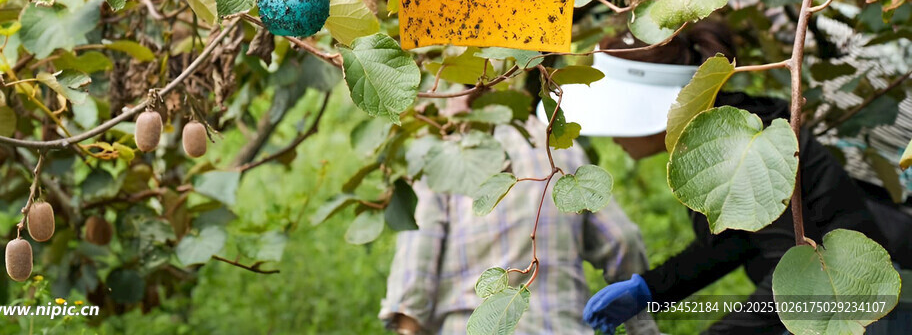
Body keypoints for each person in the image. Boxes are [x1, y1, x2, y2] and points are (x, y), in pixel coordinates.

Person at [568, 23, 893, 335]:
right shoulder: (713, 132)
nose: (612, 136)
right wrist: (653, 288)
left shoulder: (739, 146)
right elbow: (736, 240)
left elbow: (790, 272)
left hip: (871, 305)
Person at [378, 109, 660, 335]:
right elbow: (623, 238)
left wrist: (407, 325)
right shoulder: (560, 150)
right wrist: (641, 326)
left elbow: (416, 267)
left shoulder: (438, 156)